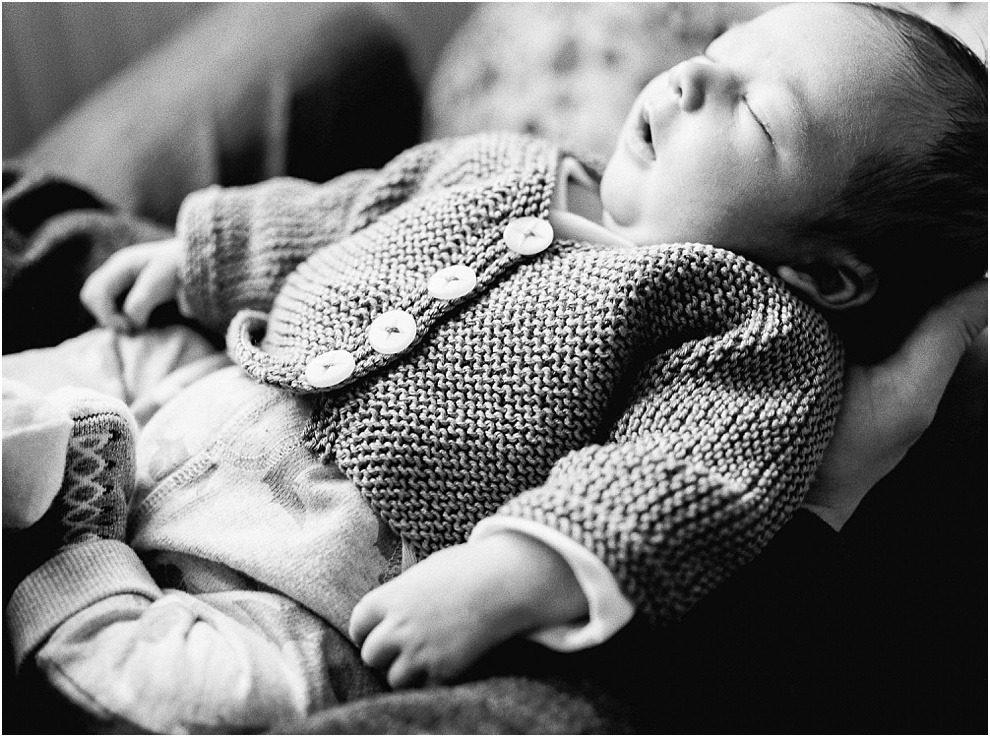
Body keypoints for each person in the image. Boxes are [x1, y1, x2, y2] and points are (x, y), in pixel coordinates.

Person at [3, 3, 985, 732]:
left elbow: (673, 483)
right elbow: (353, 208)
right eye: (715, 54)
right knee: (93, 355)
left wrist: (508, 576)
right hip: (229, 375)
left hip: (317, 549)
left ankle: (73, 571)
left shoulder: (750, 331)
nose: (689, 83)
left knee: (223, 691)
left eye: (758, 117)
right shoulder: (525, 164)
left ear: (828, 273)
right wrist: (208, 255)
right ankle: (42, 454)